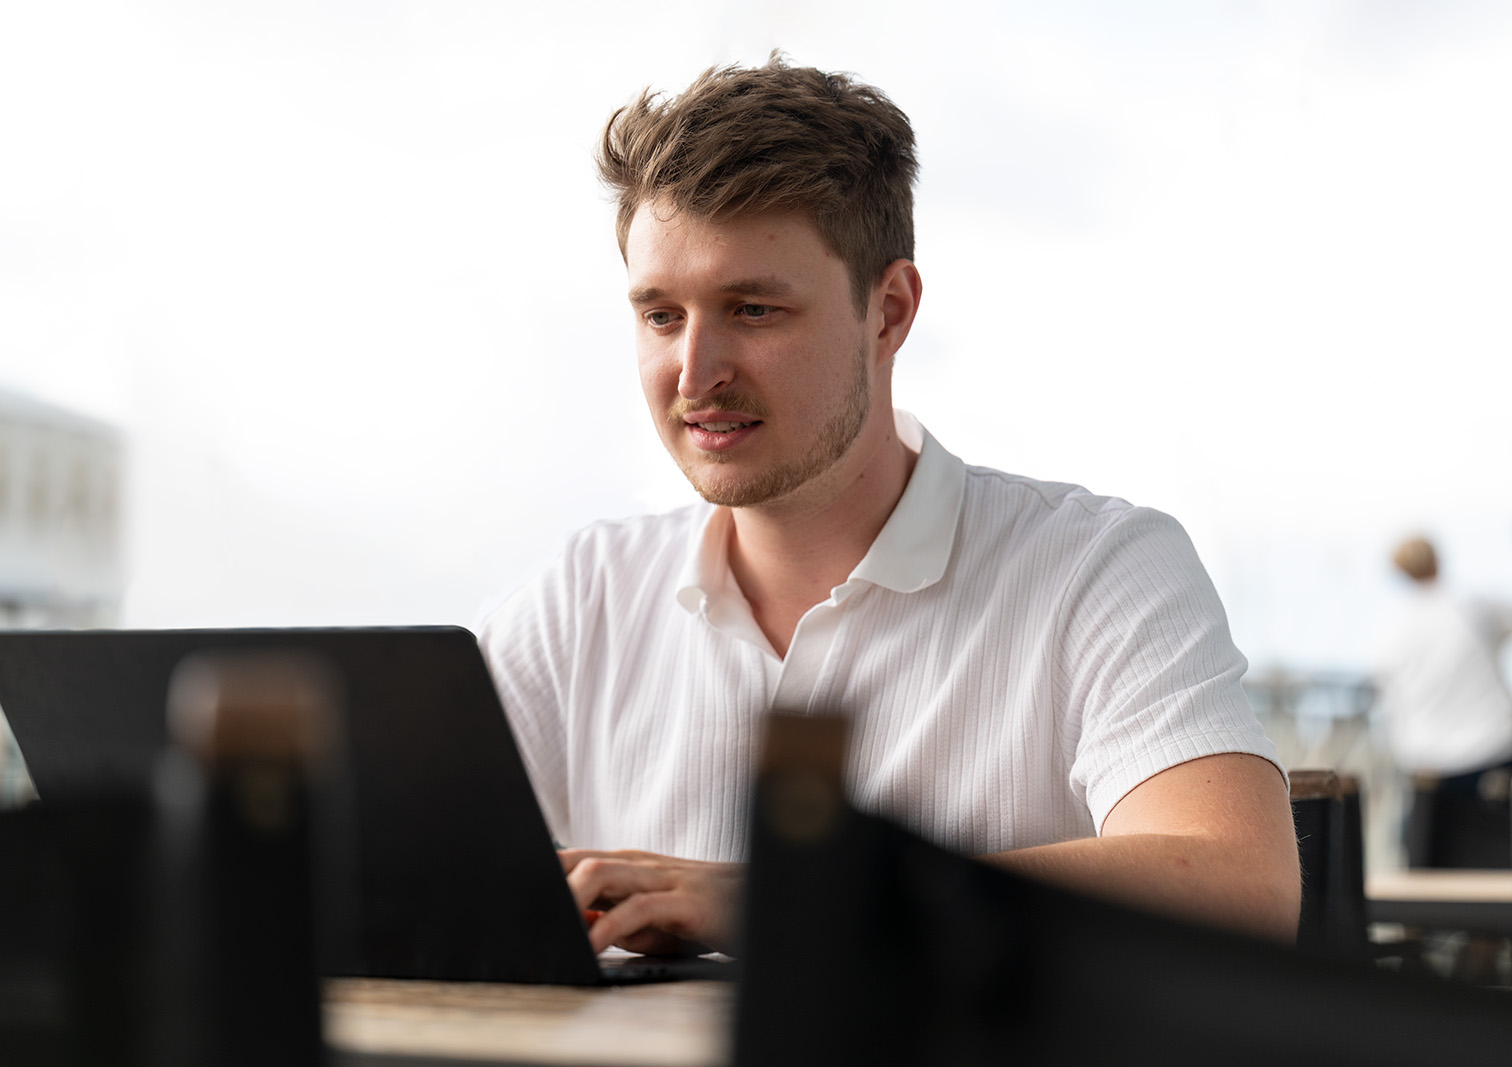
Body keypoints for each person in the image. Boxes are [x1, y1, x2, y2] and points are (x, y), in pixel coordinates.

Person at [479, 55, 1300, 954]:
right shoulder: (584, 595)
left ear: (890, 312)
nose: (694, 373)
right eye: (661, 316)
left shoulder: (1097, 569)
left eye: (752, 310)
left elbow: (1240, 886)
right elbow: (387, 866)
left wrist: (795, 902)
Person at [1377, 536, 1512, 869]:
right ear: (1438, 561)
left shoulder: (1392, 632)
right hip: (1492, 756)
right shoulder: (1472, 608)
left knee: (1426, 869)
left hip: (1428, 770)